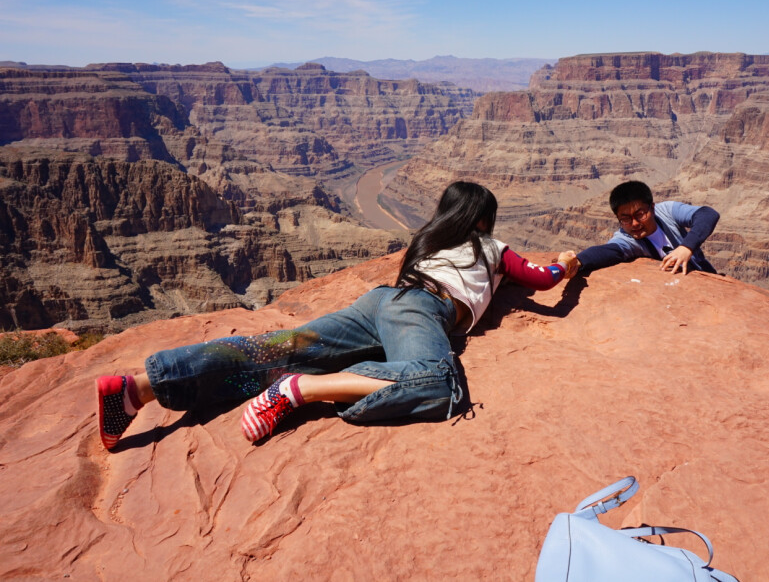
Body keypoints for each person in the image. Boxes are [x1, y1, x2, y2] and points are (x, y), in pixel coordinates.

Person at [97, 181, 577, 450]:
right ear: (481, 220)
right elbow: (540, 278)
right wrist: (567, 263)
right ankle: (300, 390)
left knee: (283, 346)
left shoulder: (430, 240)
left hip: (382, 301)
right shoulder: (490, 246)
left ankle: (137, 388)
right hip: (421, 312)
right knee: (438, 383)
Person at [570, 180, 719, 276]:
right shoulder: (626, 238)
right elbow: (607, 251)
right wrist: (577, 262)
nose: (634, 223)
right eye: (625, 219)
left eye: (640, 214)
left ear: (652, 208)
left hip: (706, 274)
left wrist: (686, 247)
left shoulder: (667, 211)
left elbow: (708, 215)